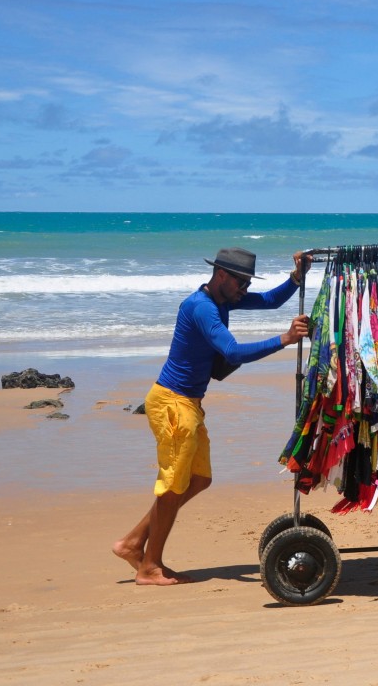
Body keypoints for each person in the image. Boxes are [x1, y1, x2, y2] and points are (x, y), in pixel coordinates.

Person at [113, 247, 312, 585]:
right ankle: (149, 567)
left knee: (198, 480)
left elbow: (270, 301)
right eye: (241, 283)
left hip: (188, 403)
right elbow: (232, 351)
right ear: (221, 275)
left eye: (247, 283)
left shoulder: (223, 300)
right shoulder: (202, 307)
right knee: (172, 486)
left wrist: (296, 278)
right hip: (172, 404)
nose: (244, 290)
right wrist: (285, 339)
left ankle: (133, 544)